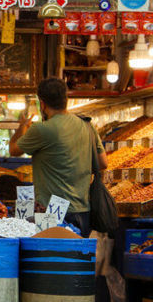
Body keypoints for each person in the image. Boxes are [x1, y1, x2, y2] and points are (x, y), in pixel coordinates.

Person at [9, 77, 107, 237]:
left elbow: (13, 150)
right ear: (66, 99)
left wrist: (22, 127)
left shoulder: (41, 129)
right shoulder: (87, 126)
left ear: (42, 104)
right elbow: (103, 163)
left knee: (51, 252)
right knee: (77, 252)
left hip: (52, 213)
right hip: (83, 211)